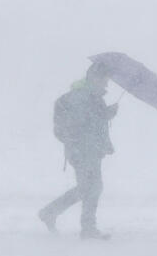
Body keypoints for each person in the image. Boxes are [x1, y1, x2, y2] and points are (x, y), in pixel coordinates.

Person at [39, 62, 118, 240]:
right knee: (93, 187)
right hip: (84, 150)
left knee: (87, 188)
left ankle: (51, 212)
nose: (106, 84)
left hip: (85, 150)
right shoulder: (83, 97)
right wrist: (105, 114)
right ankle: (87, 228)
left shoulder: (90, 96)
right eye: (104, 80)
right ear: (94, 78)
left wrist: (107, 114)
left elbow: (90, 121)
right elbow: (85, 124)